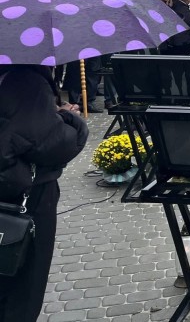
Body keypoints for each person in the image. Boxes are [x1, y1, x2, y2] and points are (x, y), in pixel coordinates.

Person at [0, 65, 88, 322]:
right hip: (25, 197)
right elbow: (53, 144)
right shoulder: (26, 79)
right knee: (23, 286)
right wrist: (70, 119)